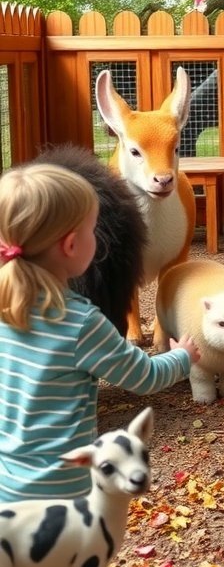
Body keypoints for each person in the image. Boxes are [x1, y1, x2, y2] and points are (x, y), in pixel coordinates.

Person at [0, 162, 199, 515]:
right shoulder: (81, 322)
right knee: (65, 557)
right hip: (63, 486)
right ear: (73, 245)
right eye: (94, 230)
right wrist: (182, 357)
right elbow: (143, 377)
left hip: (7, 482)